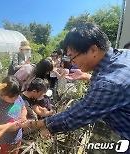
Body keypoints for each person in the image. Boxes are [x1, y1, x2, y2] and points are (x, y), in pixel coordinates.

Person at [21, 23, 130, 152]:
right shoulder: (124, 55)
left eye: (73, 56)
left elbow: (76, 115)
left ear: (93, 50)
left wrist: (36, 124)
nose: (72, 62)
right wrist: (86, 76)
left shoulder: (110, 83)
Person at [0, 76, 27, 154]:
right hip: (4, 142)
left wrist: (23, 116)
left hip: (17, 139)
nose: (14, 98)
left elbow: (24, 109)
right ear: (2, 92)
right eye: (11, 96)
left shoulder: (18, 98)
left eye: (16, 95)